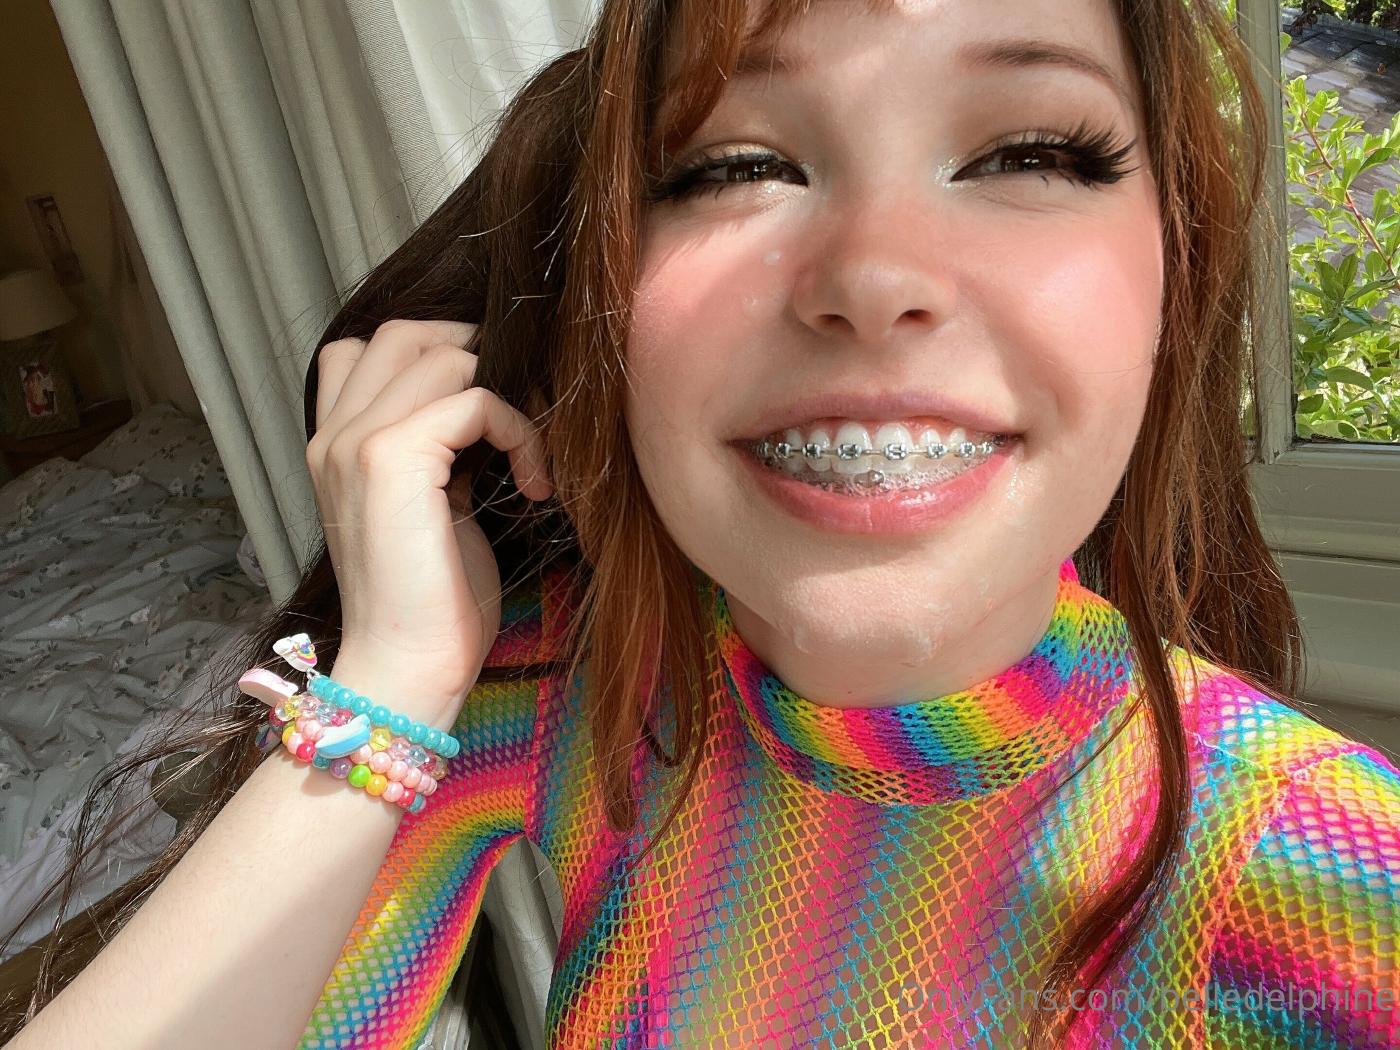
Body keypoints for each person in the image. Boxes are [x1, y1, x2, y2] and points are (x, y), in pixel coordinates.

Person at [5, 0, 1397, 1046]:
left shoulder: (1327, 867)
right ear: (606, 317)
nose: (874, 277)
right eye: (729, 165)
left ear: (1177, 269)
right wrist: (393, 672)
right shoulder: (576, 689)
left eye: (1032, 149)